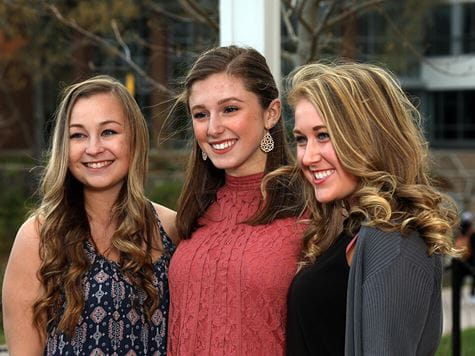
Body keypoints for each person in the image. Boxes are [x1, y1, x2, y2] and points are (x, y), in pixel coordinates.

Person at [279, 62, 458, 355]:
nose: (308, 157)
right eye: (301, 139)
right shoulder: (350, 229)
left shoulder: (394, 240)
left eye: (323, 135)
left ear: (368, 137)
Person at [2, 75, 178, 355]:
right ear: (64, 146)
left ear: (134, 137)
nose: (94, 148)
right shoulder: (38, 236)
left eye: (108, 132)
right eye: (78, 135)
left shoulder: (170, 228)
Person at [167, 45, 305, 355]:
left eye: (230, 109)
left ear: (271, 113)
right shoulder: (194, 211)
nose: (213, 128)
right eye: (201, 114)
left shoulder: (310, 212)